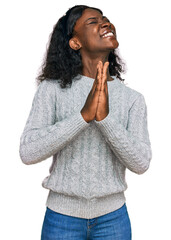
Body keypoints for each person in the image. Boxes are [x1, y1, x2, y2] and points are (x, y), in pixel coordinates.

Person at [19, 5, 152, 240]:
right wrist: (82, 117)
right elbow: (28, 152)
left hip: (114, 219)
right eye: (92, 21)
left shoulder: (133, 99)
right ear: (75, 42)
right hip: (62, 217)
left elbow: (141, 163)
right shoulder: (51, 90)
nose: (106, 23)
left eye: (106, 19)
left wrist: (104, 119)